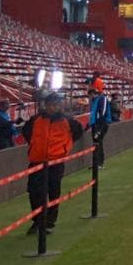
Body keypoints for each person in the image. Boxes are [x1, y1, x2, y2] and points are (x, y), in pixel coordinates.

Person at [21, 92, 84, 234]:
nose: (55, 107)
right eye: (52, 105)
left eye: (57, 104)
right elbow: (26, 132)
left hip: (55, 162)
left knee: (53, 191)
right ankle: (38, 221)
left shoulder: (68, 121)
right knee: (34, 192)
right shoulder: (36, 119)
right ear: (46, 105)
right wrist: (35, 146)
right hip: (37, 161)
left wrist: (64, 147)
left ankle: (49, 222)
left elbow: (78, 132)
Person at [88, 85, 111, 169]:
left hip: (101, 125)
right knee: (95, 143)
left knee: (98, 142)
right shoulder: (95, 101)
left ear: (93, 93)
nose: (89, 98)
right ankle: (95, 163)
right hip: (96, 125)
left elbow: (103, 113)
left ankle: (100, 163)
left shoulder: (102, 98)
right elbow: (93, 115)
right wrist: (89, 125)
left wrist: (99, 129)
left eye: (90, 95)